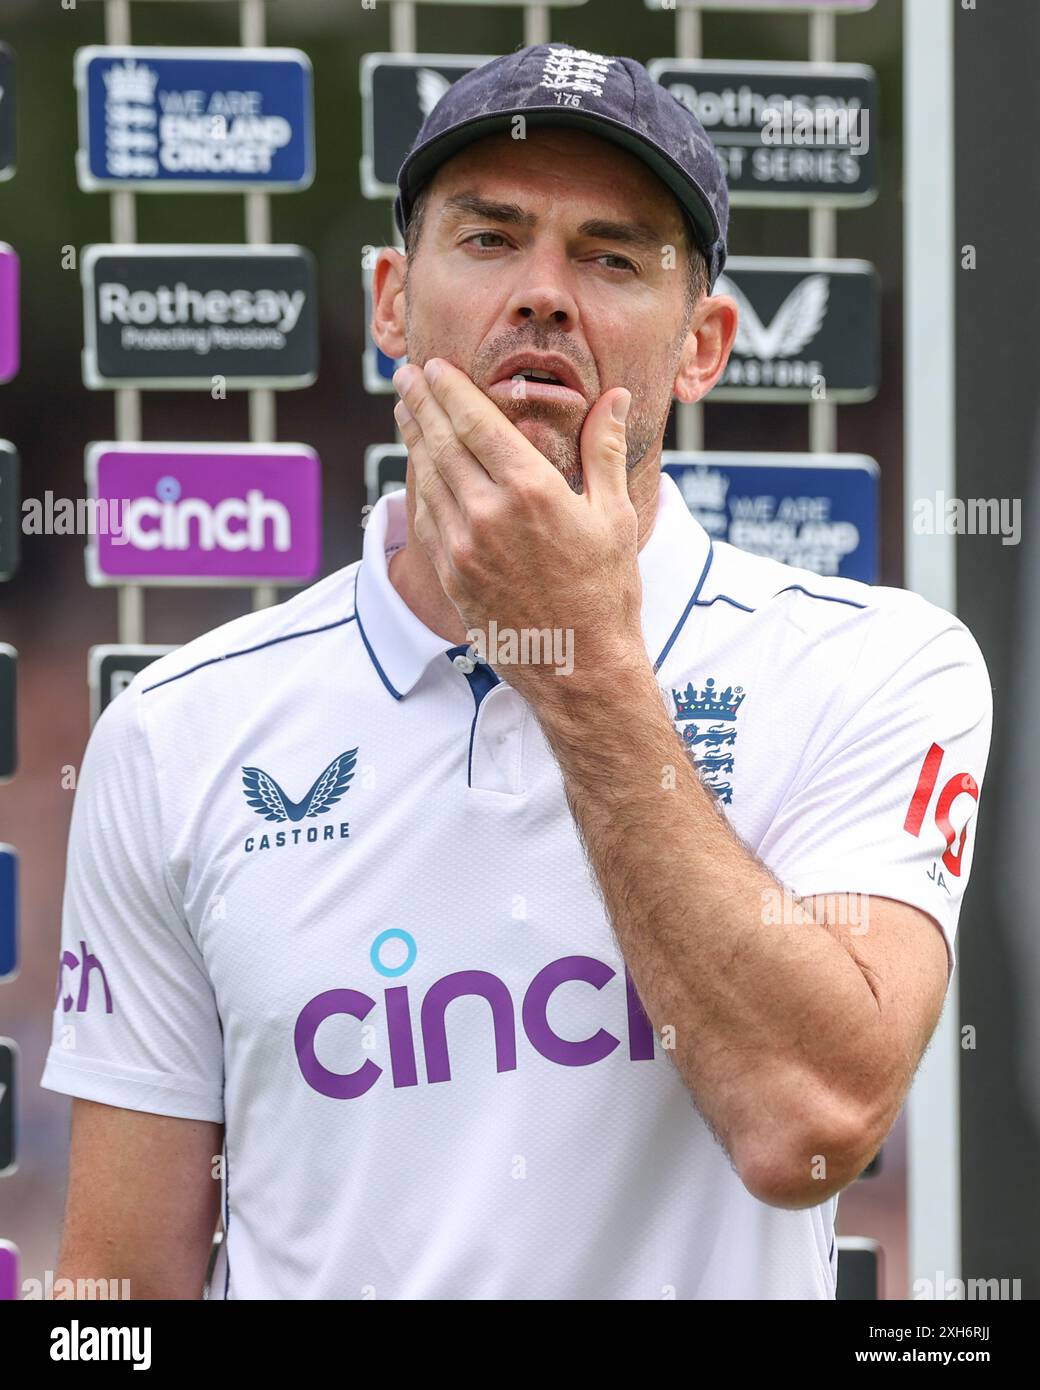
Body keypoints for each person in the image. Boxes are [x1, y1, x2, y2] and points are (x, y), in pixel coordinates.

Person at [42, 43, 992, 1300]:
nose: (543, 294)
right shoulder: (176, 727)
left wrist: (582, 653)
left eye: (610, 256)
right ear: (392, 301)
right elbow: (114, 1296)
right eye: (488, 239)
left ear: (704, 346)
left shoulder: (873, 665)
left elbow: (808, 1121)